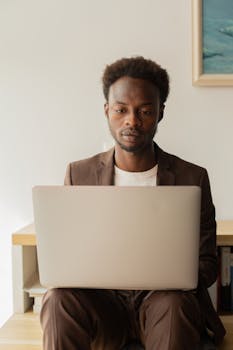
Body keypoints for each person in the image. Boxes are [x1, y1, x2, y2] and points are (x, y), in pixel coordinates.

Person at [40, 56, 226, 350]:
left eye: (145, 111)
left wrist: (177, 273)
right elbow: (68, 255)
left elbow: (207, 262)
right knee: (57, 299)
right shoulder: (79, 173)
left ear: (161, 113)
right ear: (107, 111)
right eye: (121, 110)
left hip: (163, 304)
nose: (132, 121)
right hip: (104, 308)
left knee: (176, 304)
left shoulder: (192, 176)